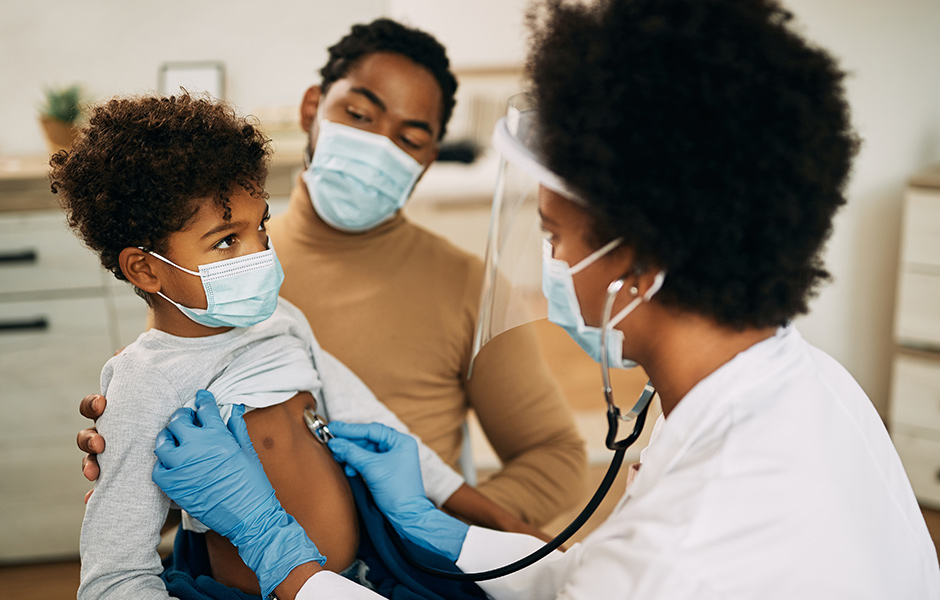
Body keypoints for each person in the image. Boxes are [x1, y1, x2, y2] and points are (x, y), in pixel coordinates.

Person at [146, 0, 940, 598]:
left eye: (555, 236)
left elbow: (627, 576)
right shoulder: (808, 386)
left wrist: (283, 559)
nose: (550, 262)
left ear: (642, 262)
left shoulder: (682, 556)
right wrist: (443, 529)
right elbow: (584, 578)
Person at [76, 17, 587, 528]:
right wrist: (138, 471)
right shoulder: (207, 274)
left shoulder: (469, 285)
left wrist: (427, 531)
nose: (379, 146)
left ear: (429, 159)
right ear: (312, 108)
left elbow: (556, 456)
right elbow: (171, 496)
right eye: (360, 115)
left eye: (410, 138)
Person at [51, 93, 526, 600]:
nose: (259, 252)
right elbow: (115, 575)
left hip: (366, 576)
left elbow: (383, 432)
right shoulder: (145, 381)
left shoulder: (283, 321)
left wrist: (503, 523)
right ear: (145, 269)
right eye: (226, 240)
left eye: (261, 227)